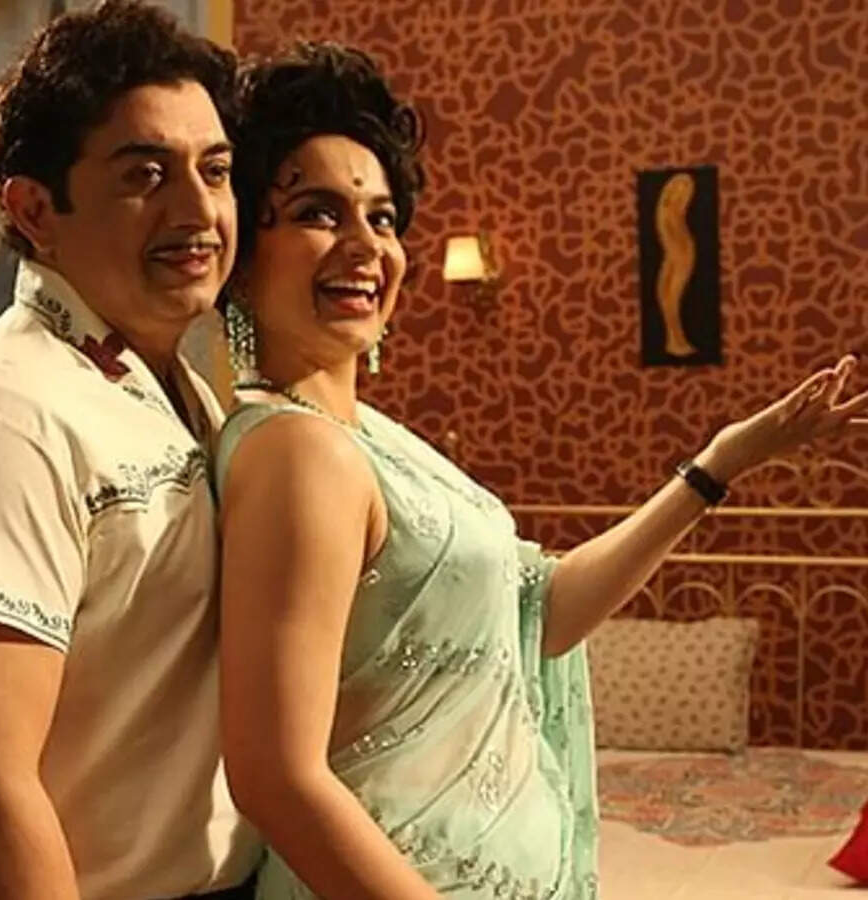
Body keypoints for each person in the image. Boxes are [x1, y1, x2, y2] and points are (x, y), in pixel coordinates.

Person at [213, 42, 868, 899]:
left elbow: (544, 613)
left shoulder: (371, 440)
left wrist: (718, 464)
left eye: (382, 217)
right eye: (317, 212)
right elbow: (277, 776)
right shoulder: (298, 453)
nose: (366, 245)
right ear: (240, 252)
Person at [0, 3, 261, 897]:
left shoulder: (173, 389)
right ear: (34, 208)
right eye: (145, 174)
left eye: (215, 170)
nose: (199, 209)